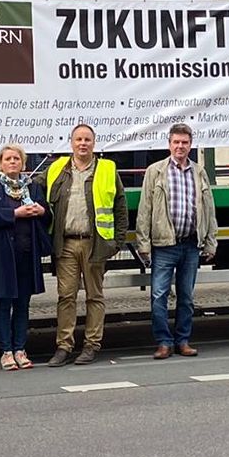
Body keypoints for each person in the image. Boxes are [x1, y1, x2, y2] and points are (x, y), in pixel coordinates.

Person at [45, 124, 129, 367]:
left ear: (94, 143)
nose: (83, 143)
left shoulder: (107, 169)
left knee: (95, 296)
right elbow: (33, 190)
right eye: (78, 139)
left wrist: (116, 243)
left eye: (87, 140)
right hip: (66, 244)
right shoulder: (56, 169)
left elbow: (120, 207)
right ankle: (64, 346)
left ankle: (91, 345)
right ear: (71, 142)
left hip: (95, 244)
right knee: (66, 296)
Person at [136, 123, 218, 358]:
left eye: (184, 143)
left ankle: (183, 340)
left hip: (191, 244)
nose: (180, 147)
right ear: (169, 144)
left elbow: (208, 208)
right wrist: (143, 243)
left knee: (187, 297)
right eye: (176, 142)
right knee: (159, 295)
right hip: (164, 245)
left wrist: (211, 240)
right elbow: (145, 209)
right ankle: (164, 342)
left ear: (190, 145)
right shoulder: (156, 171)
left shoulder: (199, 172)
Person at [0, 143, 50, 370]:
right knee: (3, 303)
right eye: (8, 159)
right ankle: (6, 351)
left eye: (16, 159)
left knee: (22, 304)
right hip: (2, 255)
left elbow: (46, 212)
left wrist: (42, 211)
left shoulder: (32, 186)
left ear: (23, 163)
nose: (12, 162)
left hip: (26, 255)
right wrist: (15, 214)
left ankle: (20, 348)